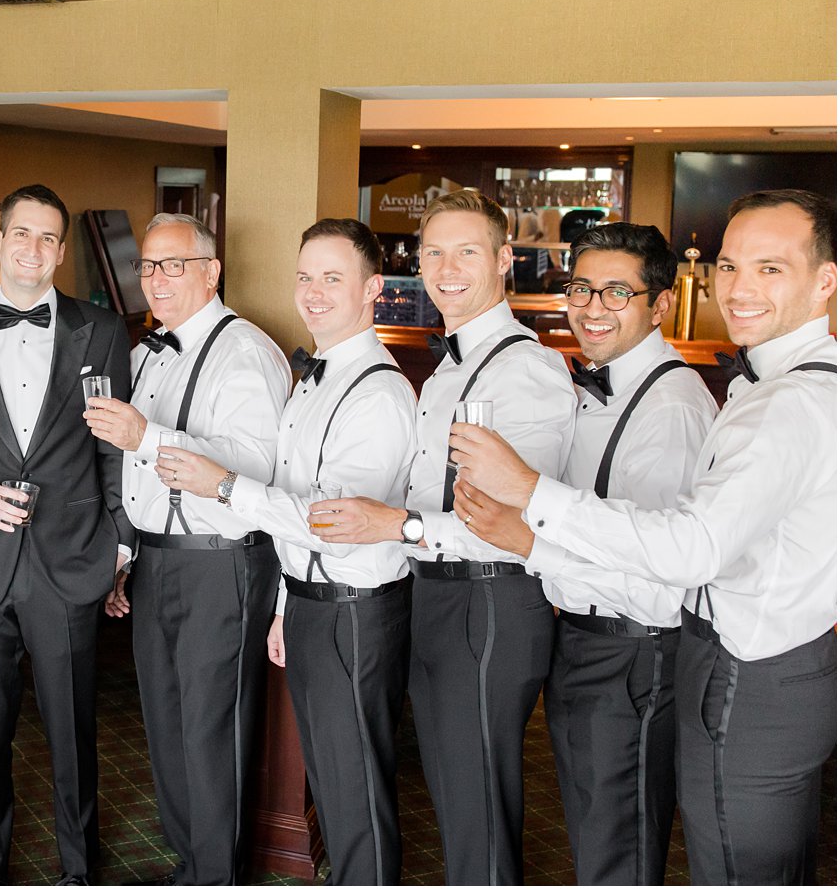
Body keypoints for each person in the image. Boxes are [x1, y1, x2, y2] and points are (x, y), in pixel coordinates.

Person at [451, 189, 837, 886]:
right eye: (729, 265)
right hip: (720, 658)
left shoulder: (764, 403)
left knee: (678, 857)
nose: (741, 287)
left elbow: (683, 554)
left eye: (771, 268)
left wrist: (531, 500)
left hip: (704, 662)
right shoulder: (767, 388)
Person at [315, 188, 575, 885]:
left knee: (478, 802)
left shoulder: (529, 368)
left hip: (490, 603)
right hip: (435, 599)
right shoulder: (450, 367)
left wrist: (393, 524)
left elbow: (514, 527)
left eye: (466, 251)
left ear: (503, 258)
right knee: (455, 792)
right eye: (433, 252)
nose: (446, 266)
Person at [156, 218, 416, 885]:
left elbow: (331, 520)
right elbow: (291, 506)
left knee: (356, 792)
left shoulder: (381, 391)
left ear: (373, 288)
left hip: (356, 612)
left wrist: (222, 484)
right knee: (332, 782)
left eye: (333, 277)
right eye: (305, 276)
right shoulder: (312, 376)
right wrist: (282, 604)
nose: (314, 291)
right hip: (309, 603)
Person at [0, 185, 133, 886]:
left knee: (72, 731)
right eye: (21, 234)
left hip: (70, 561)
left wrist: (119, 547)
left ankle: (80, 872)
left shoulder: (100, 330)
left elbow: (114, 450)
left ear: (62, 251)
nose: (33, 249)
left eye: (47, 238)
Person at [85, 212, 289, 886]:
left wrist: (148, 436)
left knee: (211, 729)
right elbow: (130, 473)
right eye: (147, 265)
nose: (157, 279)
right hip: (157, 559)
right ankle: (192, 862)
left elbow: (254, 465)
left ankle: (215, 876)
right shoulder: (147, 354)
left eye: (173, 264)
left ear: (211, 271)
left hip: (221, 563)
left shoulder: (249, 352)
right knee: (166, 720)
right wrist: (125, 555)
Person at [520, 223, 717, 885]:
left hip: (634, 652)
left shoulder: (672, 407)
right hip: (579, 641)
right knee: (593, 829)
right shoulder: (594, 385)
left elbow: (659, 575)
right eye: (581, 287)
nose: (592, 305)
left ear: (658, 304)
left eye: (615, 291)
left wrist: (528, 540)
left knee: (620, 846)